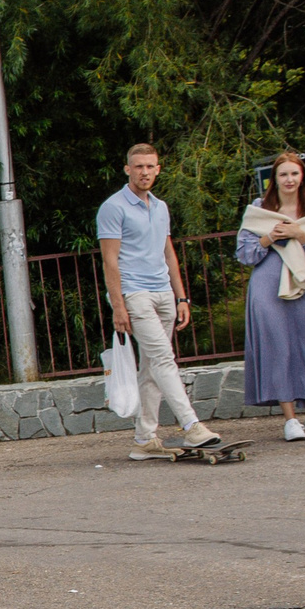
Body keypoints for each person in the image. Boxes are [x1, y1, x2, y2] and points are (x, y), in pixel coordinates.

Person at [96, 145, 224, 459]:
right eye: (138, 166)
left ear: (158, 168)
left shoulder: (160, 207)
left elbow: (168, 253)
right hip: (135, 295)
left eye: (150, 166)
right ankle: (192, 425)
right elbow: (109, 262)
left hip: (164, 292)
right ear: (127, 169)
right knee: (164, 359)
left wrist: (181, 296)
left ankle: (144, 440)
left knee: (152, 368)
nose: (145, 172)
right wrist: (118, 306)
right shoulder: (113, 207)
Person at [237, 150, 305, 440]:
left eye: (294, 173)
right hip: (267, 286)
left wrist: (300, 234)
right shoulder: (259, 209)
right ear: (274, 179)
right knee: (279, 349)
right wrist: (270, 237)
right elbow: (245, 254)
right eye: (283, 174)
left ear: (302, 177)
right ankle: (290, 420)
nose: (289, 179)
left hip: (304, 283)